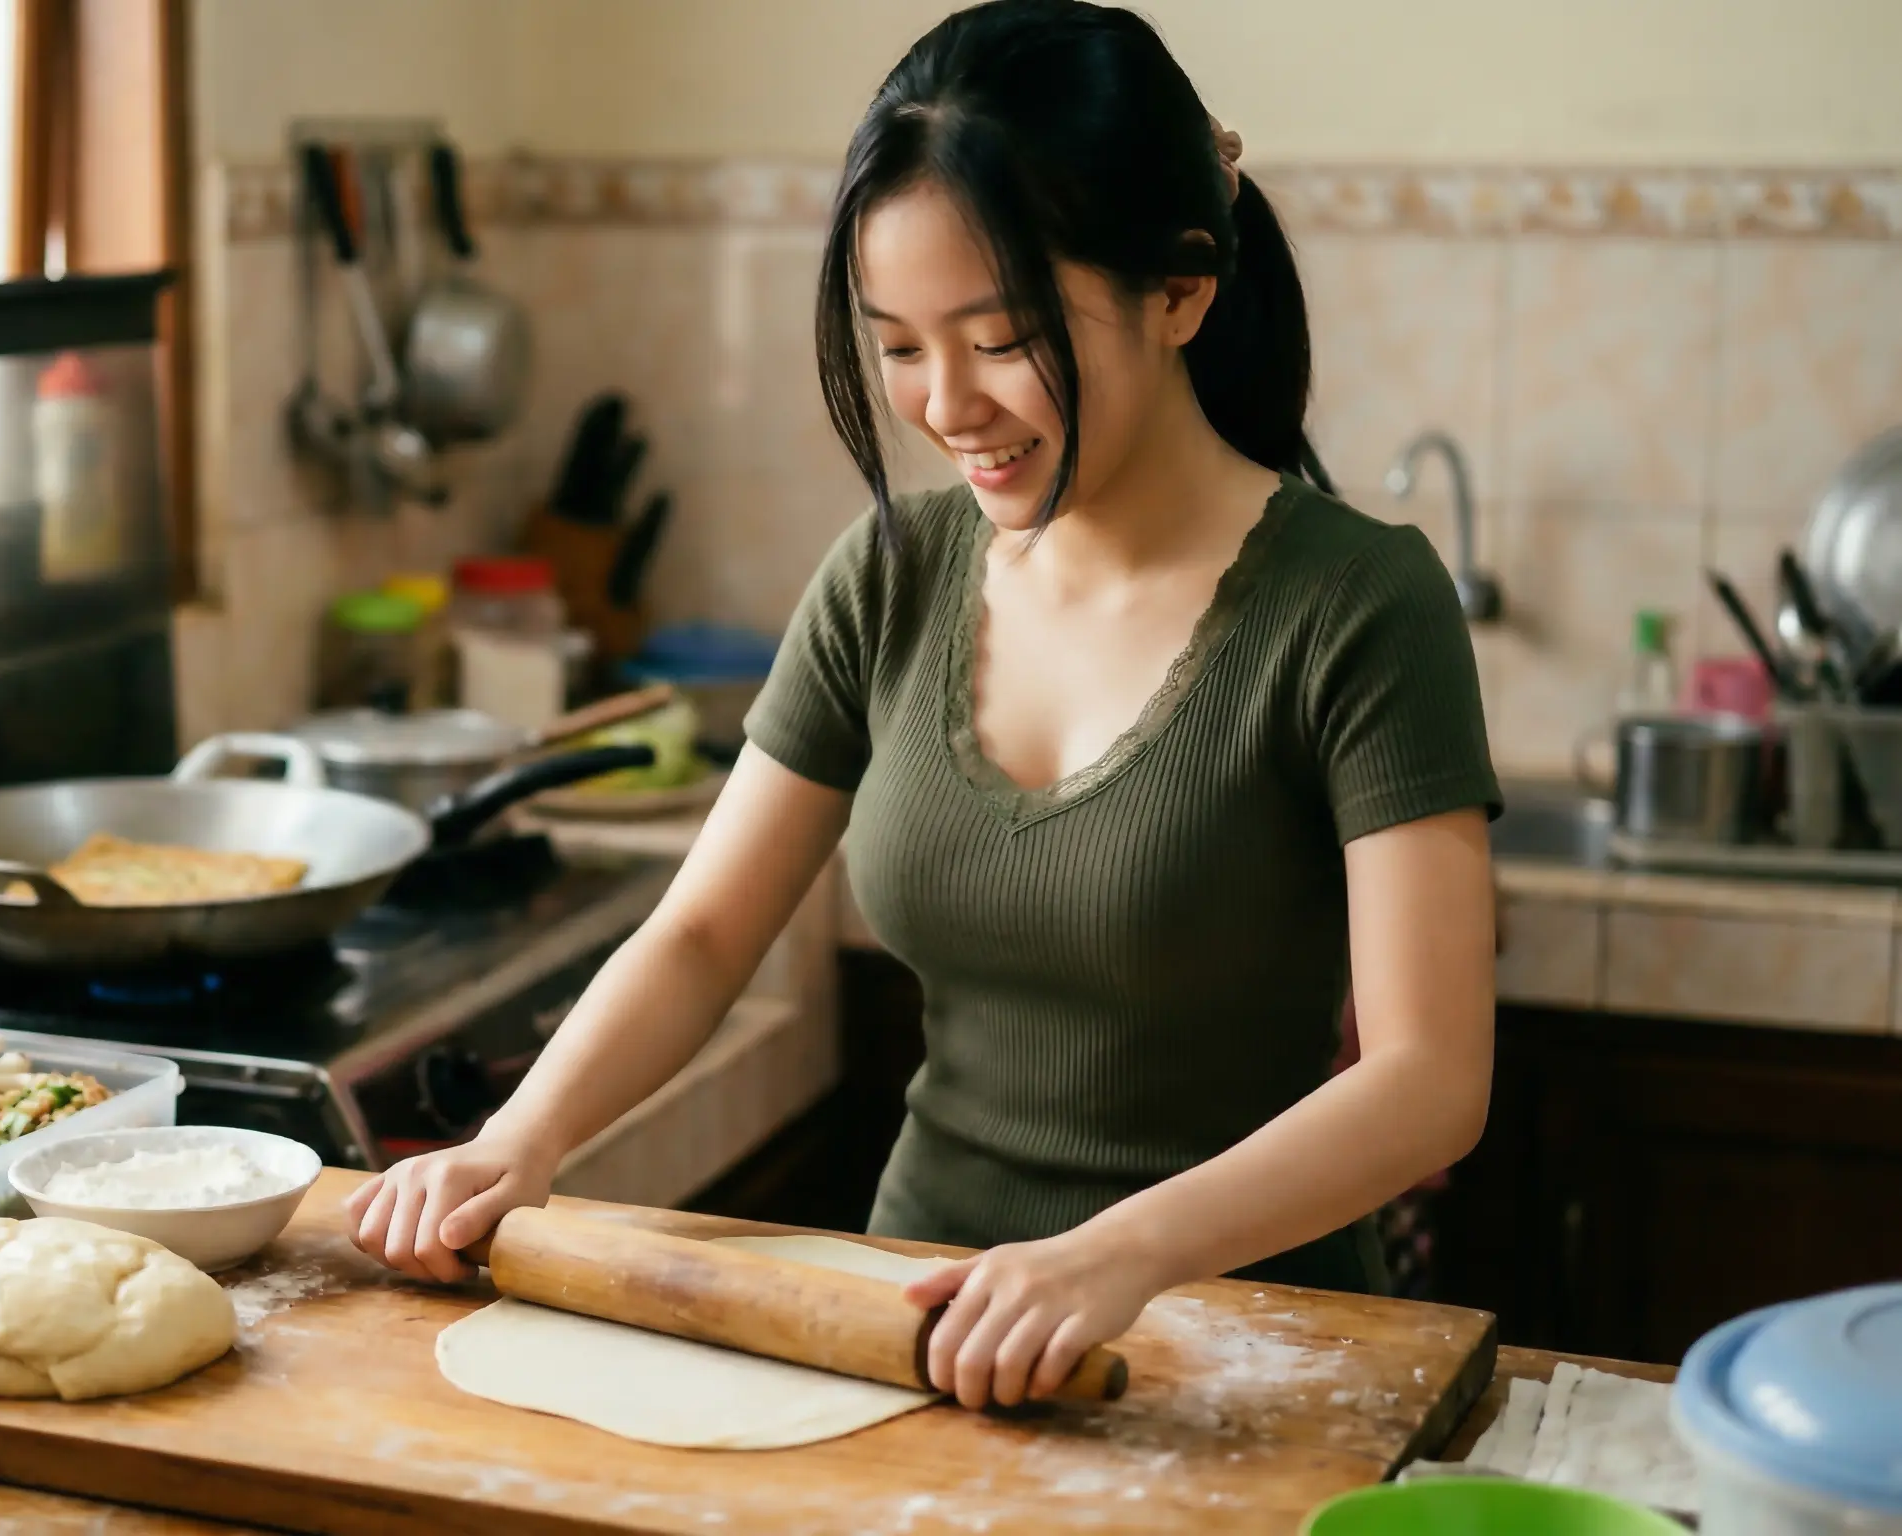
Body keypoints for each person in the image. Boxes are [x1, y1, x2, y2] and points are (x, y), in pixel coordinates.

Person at [347, 0, 1499, 1413]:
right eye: (896, 346)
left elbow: (1429, 1078)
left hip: (1251, 1362)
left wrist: (1107, 1258)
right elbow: (705, 931)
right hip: (911, 1335)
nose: (945, 404)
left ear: (1181, 294)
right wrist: (513, 1145)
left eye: (1002, 339)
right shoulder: (889, 577)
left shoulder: (1357, 604)